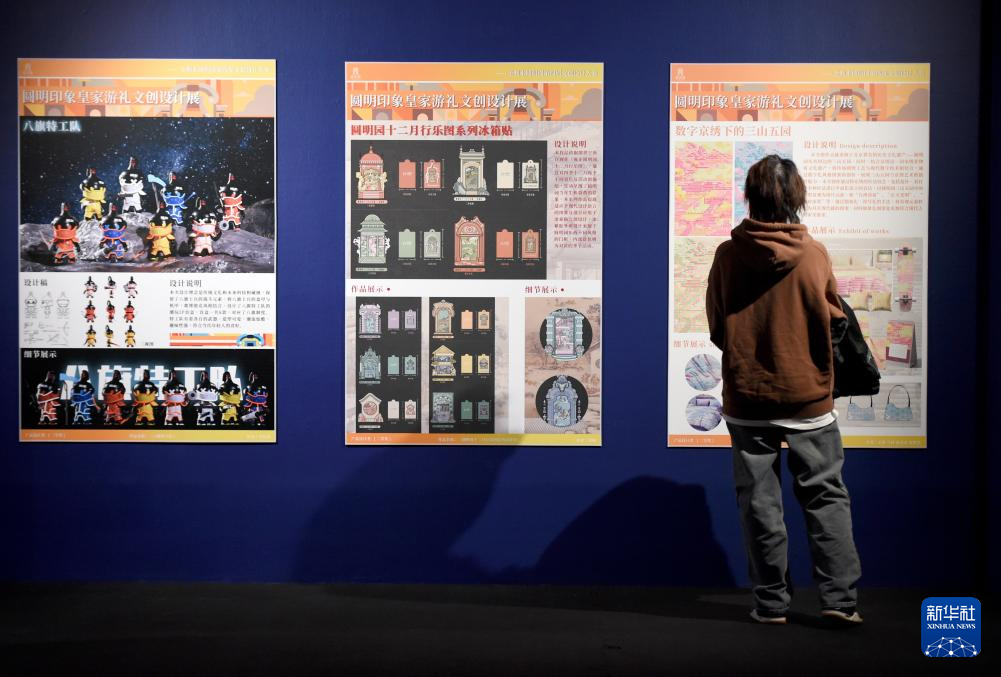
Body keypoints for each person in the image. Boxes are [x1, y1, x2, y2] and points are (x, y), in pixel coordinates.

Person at [706, 155, 862, 626]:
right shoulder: (814, 254)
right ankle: (839, 601)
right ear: (796, 196)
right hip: (809, 396)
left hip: (748, 396)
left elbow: (718, 327)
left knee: (758, 502)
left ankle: (771, 604)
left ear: (750, 196)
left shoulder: (728, 255)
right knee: (825, 496)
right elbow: (834, 320)